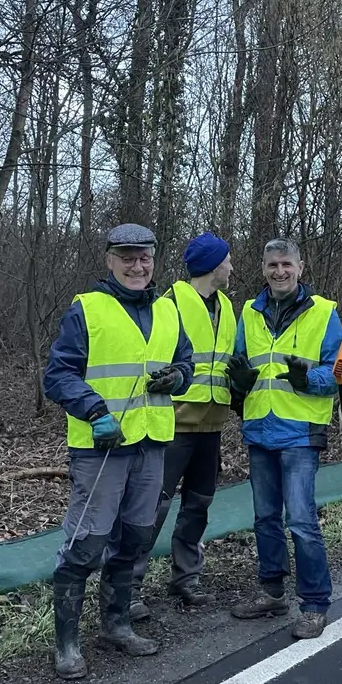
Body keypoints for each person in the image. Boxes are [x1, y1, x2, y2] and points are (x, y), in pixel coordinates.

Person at [41, 223, 195, 680]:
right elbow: (58, 375)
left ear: (154, 260)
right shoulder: (87, 310)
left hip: (151, 444)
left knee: (136, 538)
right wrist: (94, 411)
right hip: (102, 447)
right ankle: (66, 643)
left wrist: (178, 378)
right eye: (126, 256)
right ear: (109, 260)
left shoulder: (168, 312)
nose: (137, 265)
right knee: (86, 544)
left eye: (144, 256)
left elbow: (184, 362)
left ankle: (117, 624)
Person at [224, 238, 342, 639]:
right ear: (263, 269)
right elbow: (239, 365)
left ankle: (314, 604)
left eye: (286, 265)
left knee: (302, 519)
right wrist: (237, 382)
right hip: (260, 429)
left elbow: (338, 374)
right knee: (264, 518)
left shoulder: (325, 313)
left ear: (300, 267)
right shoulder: (250, 312)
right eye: (272, 265)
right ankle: (272, 590)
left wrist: (307, 378)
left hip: (300, 433)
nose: (280, 272)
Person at [118, 231, 236, 621]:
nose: (232, 267)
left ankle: (187, 577)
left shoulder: (227, 308)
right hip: (175, 425)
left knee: (198, 506)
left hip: (212, 424)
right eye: (227, 260)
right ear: (213, 265)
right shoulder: (170, 304)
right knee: (153, 508)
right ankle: (129, 586)